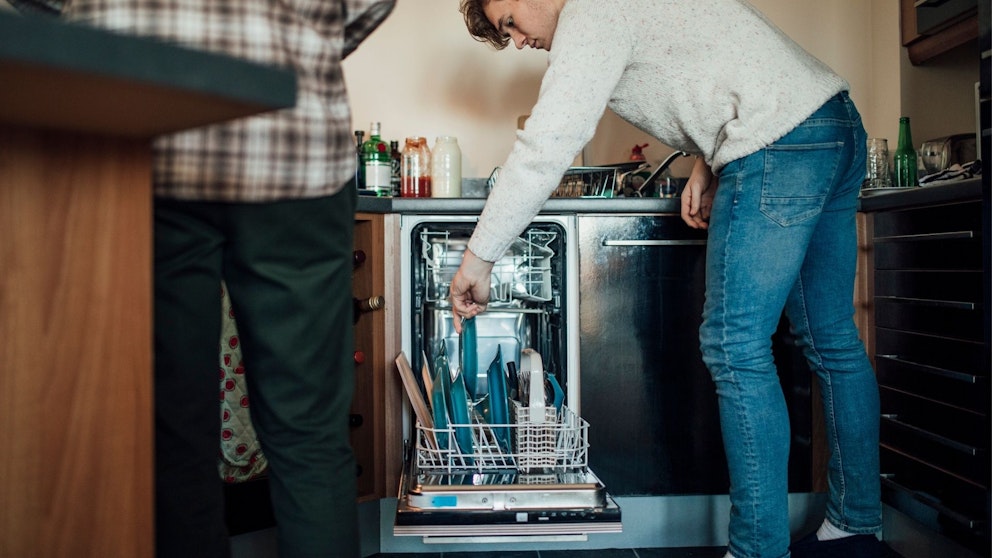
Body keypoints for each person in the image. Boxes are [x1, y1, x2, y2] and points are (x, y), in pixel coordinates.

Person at [448, 1, 888, 557]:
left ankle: (757, 550)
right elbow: (723, 52)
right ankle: (856, 522)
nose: (515, 41)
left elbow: (547, 144)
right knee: (832, 341)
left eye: (510, 22)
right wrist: (709, 157)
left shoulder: (589, 14)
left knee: (735, 347)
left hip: (780, 145)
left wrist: (479, 258)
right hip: (832, 123)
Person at [18, 0, 395, 556]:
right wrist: (300, 38)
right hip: (290, 140)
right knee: (310, 438)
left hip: (131, 126)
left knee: (165, 437)